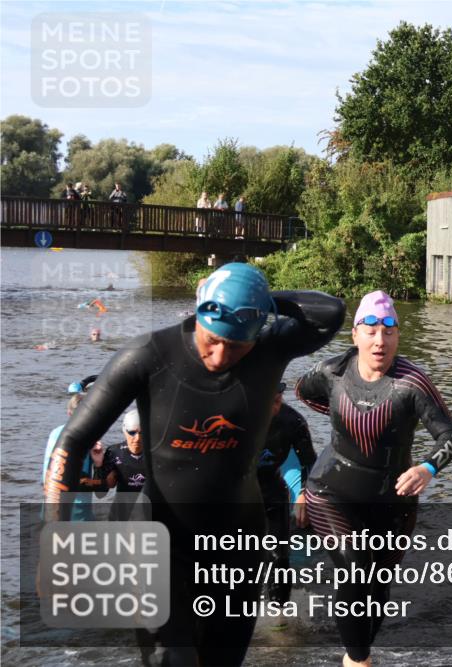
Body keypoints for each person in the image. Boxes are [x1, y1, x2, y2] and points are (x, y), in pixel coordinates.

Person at [43, 262, 346, 666]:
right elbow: (73, 441)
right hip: (158, 540)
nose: (221, 355)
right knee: (173, 659)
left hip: (237, 542)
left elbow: (332, 312)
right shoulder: (148, 354)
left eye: (237, 345)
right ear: (200, 312)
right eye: (213, 339)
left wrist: (255, 298)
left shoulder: (273, 345)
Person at [298, 290, 452, 667]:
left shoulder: (411, 383)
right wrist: (348, 425)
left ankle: (358, 651)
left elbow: (450, 436)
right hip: (331, 489)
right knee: (354, 568)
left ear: (398, 336)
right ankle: (358, 662)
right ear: (355, 335)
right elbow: (303, 392)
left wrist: (427, 468)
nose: (379, 341)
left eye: (389, 331)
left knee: (376, 585)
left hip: (393, 499)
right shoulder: (332, 372)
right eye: (370, 330)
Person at [257, 381, 316, 604]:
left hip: (273, 490)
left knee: (279, 558)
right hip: (239, 492)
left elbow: (310, 463)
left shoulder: (293, 421)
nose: (274, 407)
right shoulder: (236, 417)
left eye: (278, 400)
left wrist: (303, 494)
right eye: (268, 402)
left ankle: (279, 617)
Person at [42, 385, 105, 521]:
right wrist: (99, 467)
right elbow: (91, 487)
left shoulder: (56, 433)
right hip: (75, 514)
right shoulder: (79, 438)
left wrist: (98, 463)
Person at [97, 409, 146, 521]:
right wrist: (98, 465)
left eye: (142, 433)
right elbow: (100, 494)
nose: (137, 438)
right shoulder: (114, 452)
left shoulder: (155, 454)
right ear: (124, 431)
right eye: (132, 432)